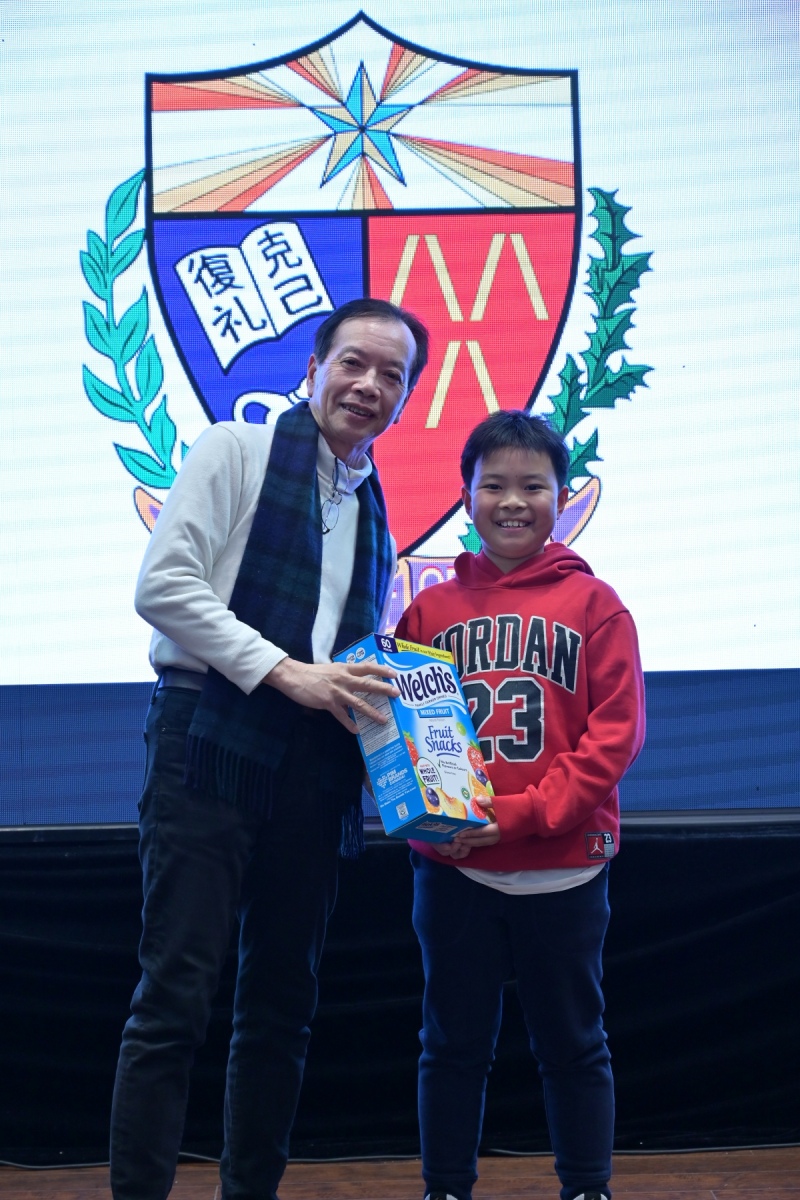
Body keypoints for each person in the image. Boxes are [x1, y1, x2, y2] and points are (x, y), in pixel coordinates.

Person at [110, 297, 429, 1200]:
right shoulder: (234, 450)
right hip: (210, 736)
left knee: (284, 1005)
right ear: (314, 369)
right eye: (353, 363)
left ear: (406, 400)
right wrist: (289, 674)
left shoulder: (376, 512)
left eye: (392, 375)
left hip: (316, 763)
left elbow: (346, 657)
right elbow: (164, 588)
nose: (368, 386)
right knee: (175, 995)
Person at [394, 410, 646, 1200]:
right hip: (456, 870)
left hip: (565, 867)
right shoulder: (427, 613)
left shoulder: (597, 605)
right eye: (493, 485)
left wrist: (521, 814)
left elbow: (614, 737)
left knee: (574, 1044)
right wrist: (436, 829)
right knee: (450, 1045)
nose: (512, 501)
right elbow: (407, 739)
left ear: (561, 498)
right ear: (465, 496)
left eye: (532, 486)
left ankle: (587, 1187)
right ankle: (445, 1188)